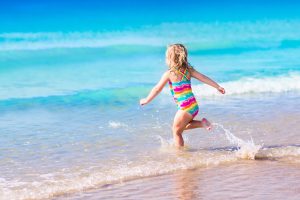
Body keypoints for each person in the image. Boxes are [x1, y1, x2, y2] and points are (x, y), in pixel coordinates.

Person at [140, 44, 225, 147]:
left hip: (185, 107)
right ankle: (202, 123)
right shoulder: (189, 71)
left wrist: (146, 100)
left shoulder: (169, 74)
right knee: (181, 127)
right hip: (193, 106)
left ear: (170, 59)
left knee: (176, 132)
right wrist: (217, 87)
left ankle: (179, 154)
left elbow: (157, 89)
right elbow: (203, 77)